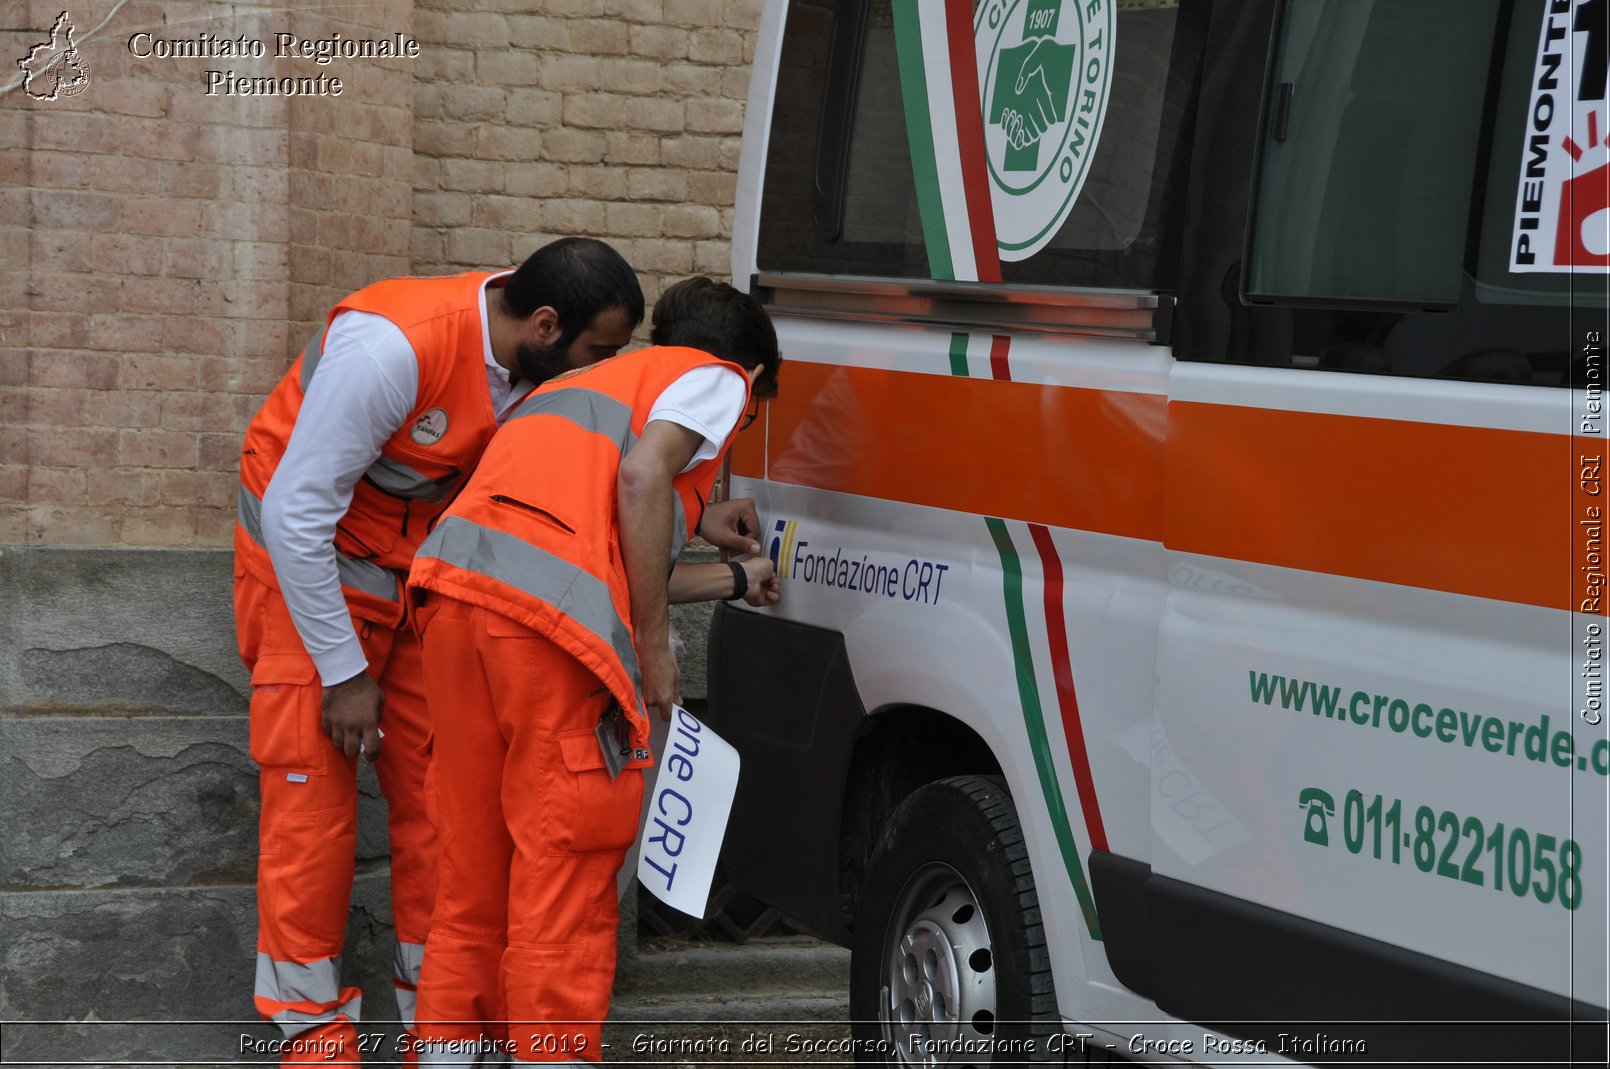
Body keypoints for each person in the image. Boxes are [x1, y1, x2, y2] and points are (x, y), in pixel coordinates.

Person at [232, 243, 764, 1062]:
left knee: (450, 822)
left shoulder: (552, 378)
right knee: (317, 804)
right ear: (547, 325)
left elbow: (582, 518)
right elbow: (296, 512)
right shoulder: (392, 346)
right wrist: (342, 674)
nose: (611, 365)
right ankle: (314, 1042)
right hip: (310, 568)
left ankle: (439, 1037)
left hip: (440, 591)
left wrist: (702, 546)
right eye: (599, 348)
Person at [404, 277, 782, 1065]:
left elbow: (597, 557)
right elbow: (643, 479)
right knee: (563, 868)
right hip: (543, 643)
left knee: (472, 872)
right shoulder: (717, 377)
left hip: (453, 604)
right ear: (745, 375)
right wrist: (654, 650)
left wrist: (730, 572)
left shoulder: (580, 387)